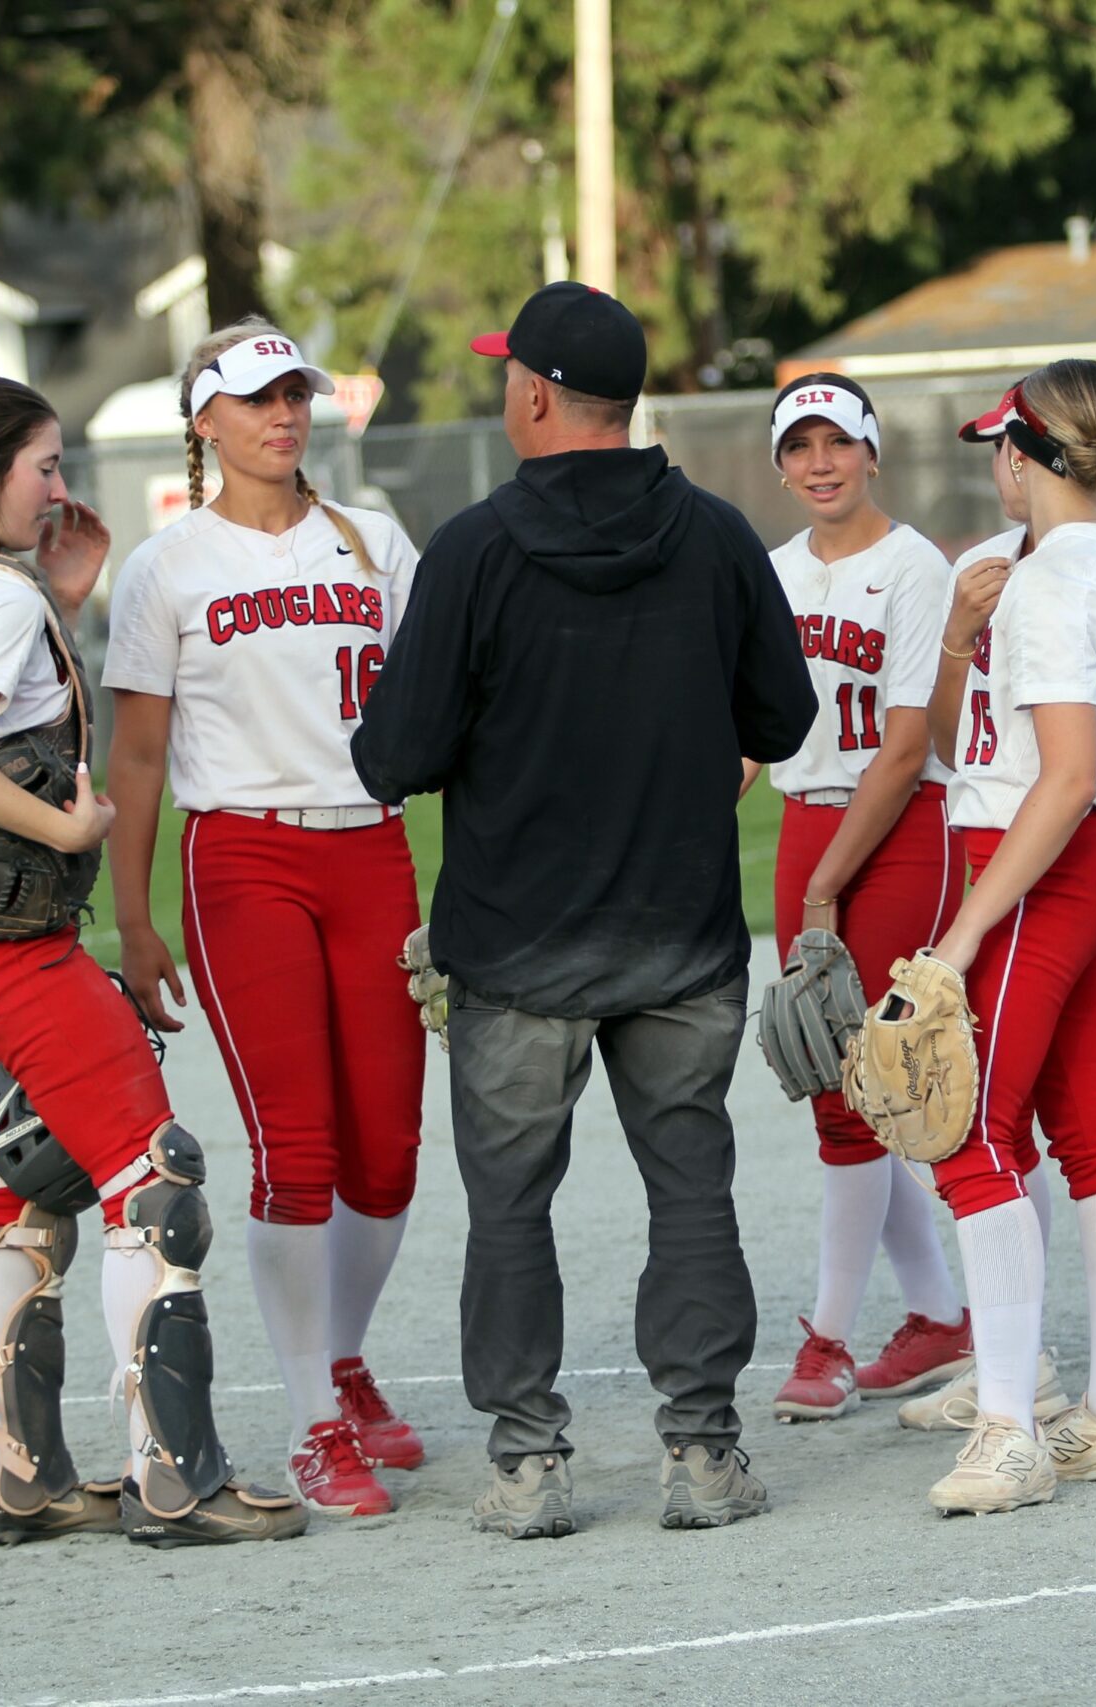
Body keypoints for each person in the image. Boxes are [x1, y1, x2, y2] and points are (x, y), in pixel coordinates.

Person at [350, 281, 817, 1540]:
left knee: (511, 1207)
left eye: (511, 372)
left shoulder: (474, 550)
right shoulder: (714, 533)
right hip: (681, 931)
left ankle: (527, 1464)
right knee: (690, 1189)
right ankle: (703, 1453)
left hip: (515, 943)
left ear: (538, 397)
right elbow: (784, 718)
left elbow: (392, 757)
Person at [0, 373, 302, 1547]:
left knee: (17, 1194)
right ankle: (177, 1480)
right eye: (43, 466)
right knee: (152, 1185)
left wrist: (56, 595)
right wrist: (65, 832)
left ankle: (14, 1476)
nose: (59, 488)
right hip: (6, 945)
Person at [104, 319, 429, 1519]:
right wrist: (134, 920)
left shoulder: (374, 540)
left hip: (373, 848)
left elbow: (444, 702)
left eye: (294, 393)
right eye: (256, 398)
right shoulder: (168, 566)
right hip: (244, 856)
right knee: (297, 1150)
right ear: (206, 421)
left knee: (387, 1153)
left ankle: (341, 1358)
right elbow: (138, 756)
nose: (283, 415)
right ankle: (311, 1426)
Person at [907, 381, 1096, 1439]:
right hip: (1083, 850)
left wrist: (961, 935)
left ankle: (1008, 1422)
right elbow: (970, 743)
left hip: (1040, 855)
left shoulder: (1061, 574)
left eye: (1000, 447)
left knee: (968, 1129)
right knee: (1092, 1127)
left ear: (1024, 457)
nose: (995, 464)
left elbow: (1069, 775)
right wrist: (956, 638)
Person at [747, 372, 972, 1425]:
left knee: (876, 1085)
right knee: (837, 1082)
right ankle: (937, 1315)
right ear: (780, 465)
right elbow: (751, 729)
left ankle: (830, 1338)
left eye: (838, 442)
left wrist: (826, 885)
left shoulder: (915, 566)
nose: (821, 463)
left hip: (896, 830)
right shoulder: (772, 572)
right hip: (808, 827)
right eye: (800, 447)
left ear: (872, 452)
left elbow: (908, 744)